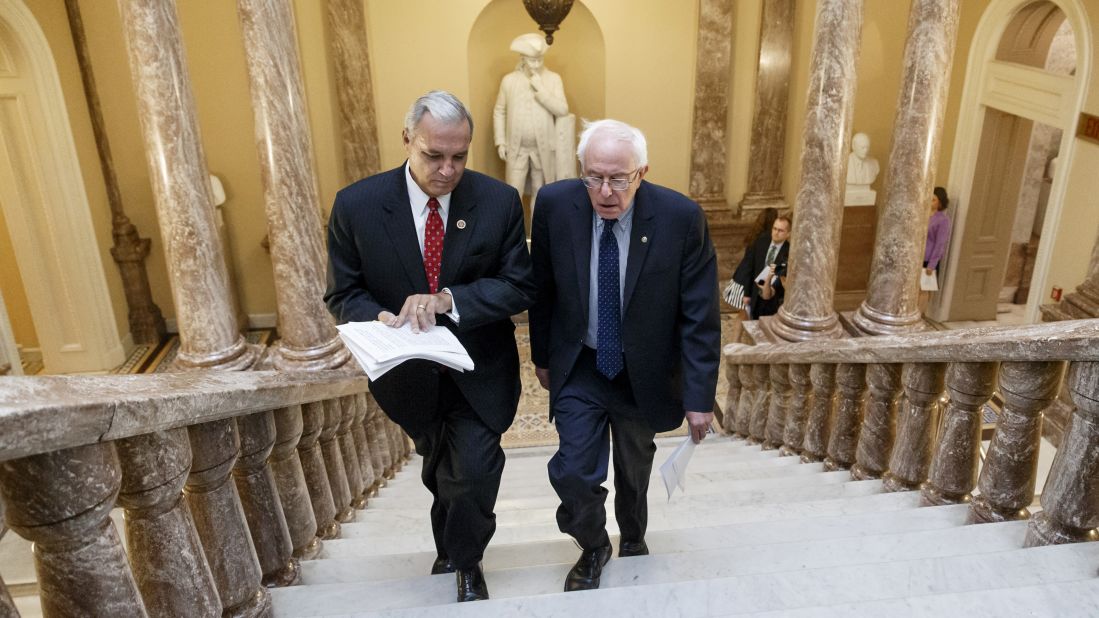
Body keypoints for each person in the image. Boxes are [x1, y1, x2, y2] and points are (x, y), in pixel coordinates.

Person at [324, 90, 535, 603]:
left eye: (459, 156)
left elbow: (518, 285)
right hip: (407, 375)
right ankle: (451, 541)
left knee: (475, 469)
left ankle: (467, 561)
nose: (447, 169)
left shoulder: (497, 201)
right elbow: (342, 293)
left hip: (479, 368)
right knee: (440, 465)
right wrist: (379, 317)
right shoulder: (357, 205)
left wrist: (447, 300)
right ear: (406, 141)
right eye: (433, 155)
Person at [529, 119, 720, 592]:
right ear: (582, 171)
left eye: (619, 178)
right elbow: (542, 289)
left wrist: (699, 397)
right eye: (594, 177)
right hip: (582, 364)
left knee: (634, 467)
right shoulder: (554, 205)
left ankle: (633, 534)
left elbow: (700, 316)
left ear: (642, 172)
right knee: (573, 471)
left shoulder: (681, 218)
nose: (606, 191)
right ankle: (593, 545)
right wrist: (542, 357)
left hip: (644, 372)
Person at [493, 33, 570, 206]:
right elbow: (500, 111)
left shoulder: (552, 79)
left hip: (543, 148)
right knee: (513, 192)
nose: (536, 64)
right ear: (522, 59)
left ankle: (538, 232)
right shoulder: (509, 80)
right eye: (532, 60)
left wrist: (541, 90)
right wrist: (500, 141)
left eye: (540, 60)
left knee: (541, 192)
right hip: (516, 148)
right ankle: (514, 232)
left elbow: (562, 109)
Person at [736, 214, 791, 319]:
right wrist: (746, 293)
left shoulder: (789, 252)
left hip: (773, 298)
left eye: (780, 230)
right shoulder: (761, 241)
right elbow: (749, 267)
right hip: (755, 292)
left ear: (788, 234)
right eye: (774, 228)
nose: (776, 233)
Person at [729, 208, 778, 317]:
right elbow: (753, 267)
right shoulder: (765, 239)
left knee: (742, 316)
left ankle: (735, 335)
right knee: (746, 317)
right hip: (746, 284)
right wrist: (747, 294)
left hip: (739, 280)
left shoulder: (755, 235)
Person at [920, 186, 952, 312]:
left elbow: (940, 243)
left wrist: (932, 265)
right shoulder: (922, 214)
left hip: (928, 260)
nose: (930, 201)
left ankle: (919, 316)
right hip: (916, 258)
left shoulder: (943, 220)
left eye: (933, 199)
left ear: (940, 203)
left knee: (923, 289)